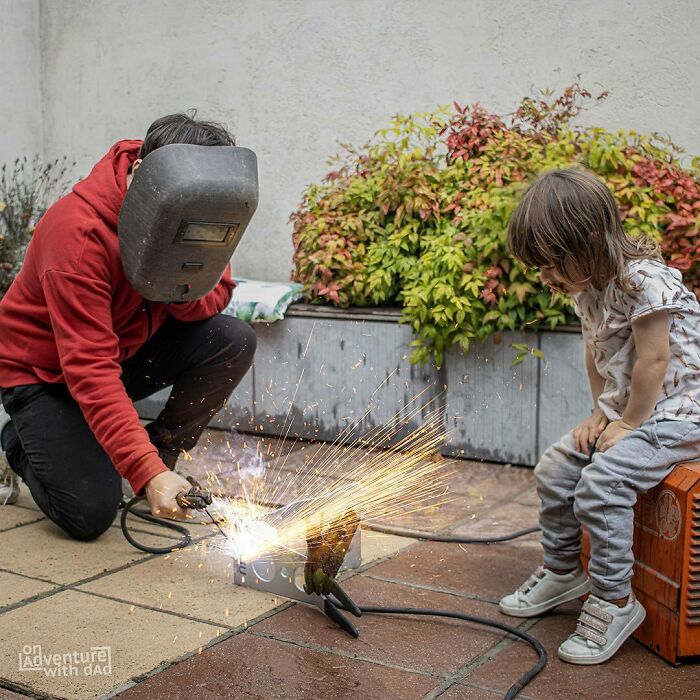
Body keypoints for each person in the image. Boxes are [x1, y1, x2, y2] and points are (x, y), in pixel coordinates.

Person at [0, 113, 256, 539]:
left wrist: (173, 278)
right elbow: (89, 369)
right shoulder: (77, 235)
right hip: (45, 375)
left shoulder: (193, 206)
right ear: (141, 173)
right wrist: (141, 471)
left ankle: (162, 456)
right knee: (87, 514)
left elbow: (218, 291)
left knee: (231, 339)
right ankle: (17, 441)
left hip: (122, 355)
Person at [500, 168, 700, 664]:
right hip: (634, 412)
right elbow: (596, 352)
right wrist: (600, 414)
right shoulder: (586, 286)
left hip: (679, 414)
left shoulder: (645, 282)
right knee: (556, 467)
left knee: (602, 485)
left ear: (587, 242)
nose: (544, 277)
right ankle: (565, 571)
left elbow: (655, 360)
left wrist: (628, 424)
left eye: (550, 263)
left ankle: (614, 600)